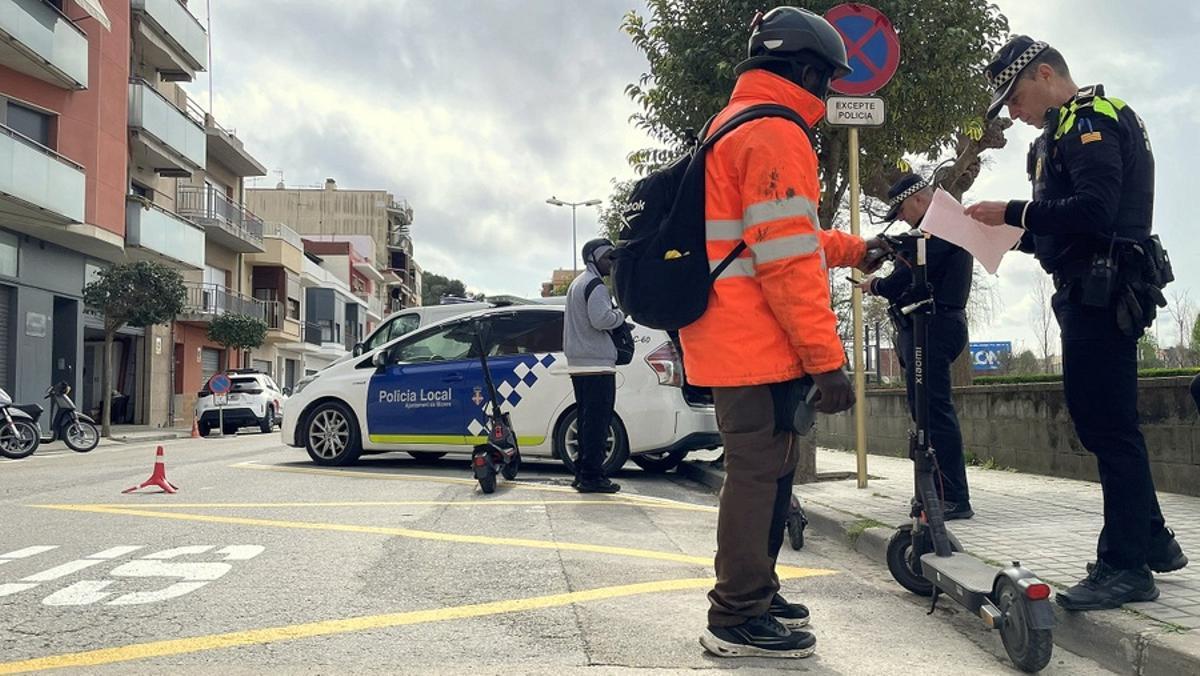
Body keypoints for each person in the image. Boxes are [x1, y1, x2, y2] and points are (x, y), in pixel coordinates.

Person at [679, 7, 886, 659]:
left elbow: (778, 235)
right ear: (803, 69)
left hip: (734, 338)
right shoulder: (774, 132)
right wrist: (827, 362)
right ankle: (736, 615)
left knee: (769, 471)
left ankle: (757, 592)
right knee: (757, 475)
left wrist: (856, 249)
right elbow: (786, 261)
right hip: (755, 344)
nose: (827, 94)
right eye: (826, 79)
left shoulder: (732, 125)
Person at [965, 36, 1187, 611]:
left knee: (1110, 428)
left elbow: (1096, 210)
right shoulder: (1052, 139)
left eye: (1013, 97)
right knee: (1100, 424)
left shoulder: (1093, 120)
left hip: (1106, 292)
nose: (1012, 112)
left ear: (1044, 74)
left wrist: (1013, 211)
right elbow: (1056, 232)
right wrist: (1000, 234)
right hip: (1082, 290)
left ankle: (1127, 567)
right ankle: (1151, 538)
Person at [857, 174, 975, 519]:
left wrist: (876, 283)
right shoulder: (931, 232)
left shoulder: (940, 230)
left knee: (933, 412)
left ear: (920, 201)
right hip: (926, 327)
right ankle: (934, 490)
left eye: (903, 210)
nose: (902, 217)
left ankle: (952, 495)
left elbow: (907, 278)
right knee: (923, 411)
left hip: (934, 327)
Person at [562, 238, 625, 494]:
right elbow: (601, 319)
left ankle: (582, 473)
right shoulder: (595, 285)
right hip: (597, 364)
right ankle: (592, 477)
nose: (611, 262)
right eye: (608, 256)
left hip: (579, 364)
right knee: (598, 423)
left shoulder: (577, 284)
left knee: (588, 421)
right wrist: (622, 314)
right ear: (594, 258)